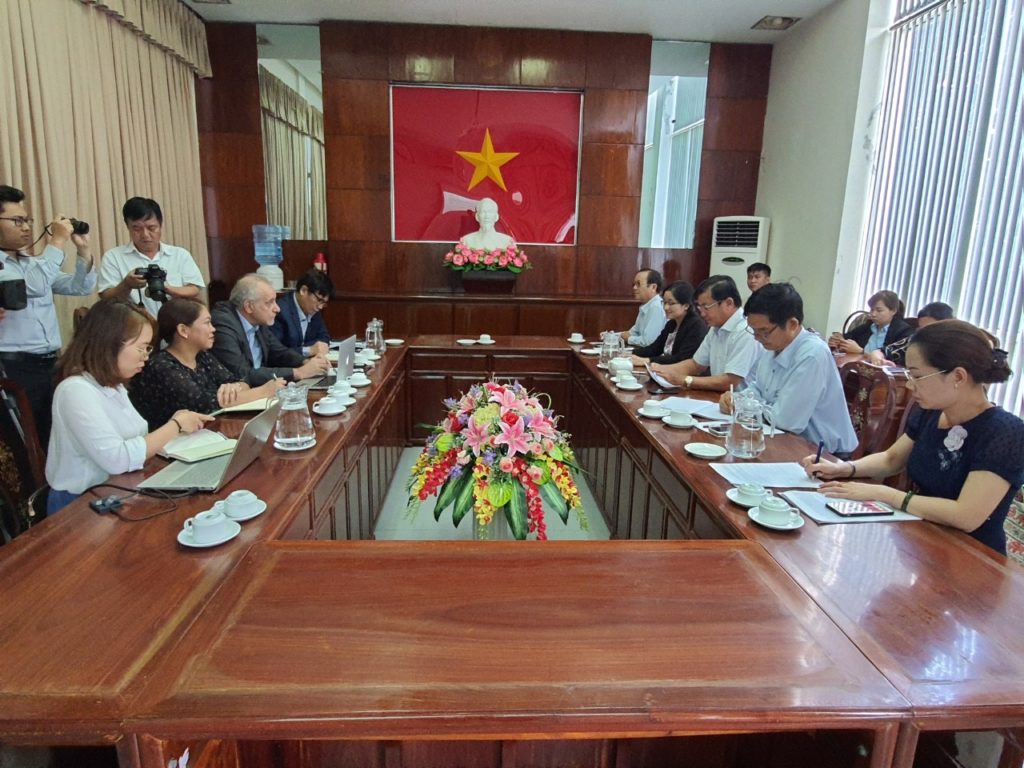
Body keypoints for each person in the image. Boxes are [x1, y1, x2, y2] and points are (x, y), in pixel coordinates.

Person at [803, 320, 1024, 555]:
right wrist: (844, 469)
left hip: (971, 556)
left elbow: (965, 515)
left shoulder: (1005, 431)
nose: (909, 384)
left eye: (917, 376)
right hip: (923, 537)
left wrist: (883, 493)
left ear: (958, 377)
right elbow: (891, 459)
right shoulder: (932, 411)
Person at [45, 300, 211, 515]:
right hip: (80, 505)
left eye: (148, 348)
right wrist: (175, 425)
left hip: (118, 490)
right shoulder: (75, 390)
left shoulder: (113, 385)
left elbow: (136, 439)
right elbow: (117, 459)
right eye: (141, 347)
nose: (146, 356)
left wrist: (178, 425)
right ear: (111, 343)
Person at [0, 185, 97, 449]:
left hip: (51, 364)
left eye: (28, 220)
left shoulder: (32, 264)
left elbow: (80, 286)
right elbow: (36, 284)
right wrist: (57, 241)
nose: (26, 227)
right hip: (14, 368)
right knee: (26, 444)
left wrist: (83, 251)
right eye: (17, 221)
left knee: (57, 438)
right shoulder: (18, 268)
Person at [721, 282, 857, 455]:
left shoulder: (812, 355)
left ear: (792, 324)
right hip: (783, 441)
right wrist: (737, 399)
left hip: (823, 455)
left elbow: (786, 421)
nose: (757, 338)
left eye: (764, 331)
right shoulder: (772, 346)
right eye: (753, 331)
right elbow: (758, 389)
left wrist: (747, 406)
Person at [131, 298, 285, 430]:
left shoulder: (202, 356)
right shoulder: (161, 366)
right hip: (170, 447)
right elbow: (207, 404)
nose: (213, 329)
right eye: (207, 323)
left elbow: (239, 381)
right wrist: (264, 391)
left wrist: (234, 387)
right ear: (183, 330)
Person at [210, 274, 330, 386]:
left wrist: (305, 362)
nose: (277, 309)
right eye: (269, 303)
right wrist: (299, 372)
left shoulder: (258, 321)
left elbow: (279, 352)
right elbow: (242, 374)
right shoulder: (224, 325)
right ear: (249, 306)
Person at [98, 197, 206, 319]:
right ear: (128, 227)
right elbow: (105, 298)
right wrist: (127, 284)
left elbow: (195, 288)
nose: (145, 235)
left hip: (176, 324)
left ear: (160, 225)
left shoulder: (179, 255)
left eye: (151, 228)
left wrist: (167, 289)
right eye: (137, 229)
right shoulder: (113, 257)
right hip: (133, 325)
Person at [650, 275, 759, 392]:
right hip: (718, 397)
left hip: (739, 401)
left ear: (728, 303)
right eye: (699, 307)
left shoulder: (746, 331)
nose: (702, 314)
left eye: (706, 307)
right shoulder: (715, 327)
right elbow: (696, 364)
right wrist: (661, 370)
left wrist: (685, 380)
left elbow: (730, 382)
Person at [630, 281, 708, 366]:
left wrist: (648, 360)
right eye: (664, 302)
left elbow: (682, 358)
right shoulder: (672, 323)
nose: (666, 307)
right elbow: (655, 348)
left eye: (671, 303)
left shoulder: (696, 326)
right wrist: (630, 353)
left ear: (686, 305)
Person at [829, 290, 914, 365]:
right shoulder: (869, 326)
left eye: (879, 310)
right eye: (872, 310)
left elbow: (893, 360)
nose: (873, 314)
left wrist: (861, 352)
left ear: (893, 311)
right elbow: (848, 337)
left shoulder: (903, 331)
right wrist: (838, 341)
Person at [269, 269, 333, 356]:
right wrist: (308, 350)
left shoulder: (313, 309)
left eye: (324, 303)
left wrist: (312, 348)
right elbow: (276, 352)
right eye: (319, 300)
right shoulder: (280, 311)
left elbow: (324, 337)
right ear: (303, 290)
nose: (320, 307)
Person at [622, 268, 666, 347]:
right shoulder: (646, 305)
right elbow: (634, 332)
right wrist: (612, 336)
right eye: (634, 284)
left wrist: (629, 339)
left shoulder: (656, 307)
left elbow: (649, 342)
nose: (634, 288)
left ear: (653, 287)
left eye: (638, 284)